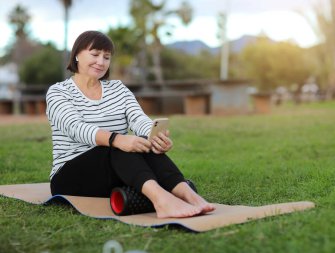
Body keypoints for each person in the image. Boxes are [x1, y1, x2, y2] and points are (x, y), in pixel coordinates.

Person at [46, 30, 215, 218]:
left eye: (106, 57)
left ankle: (188, 194)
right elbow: (75, 128)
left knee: (142, 142)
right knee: (120, 145)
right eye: (95, 55)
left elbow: (137, 118)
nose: (101, 62)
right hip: (70, 175)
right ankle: (162, 201)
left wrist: (154, 136)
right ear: (77, 54)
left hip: (114, 167)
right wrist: (116, 139)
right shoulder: (58, 92)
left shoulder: (118, 89)